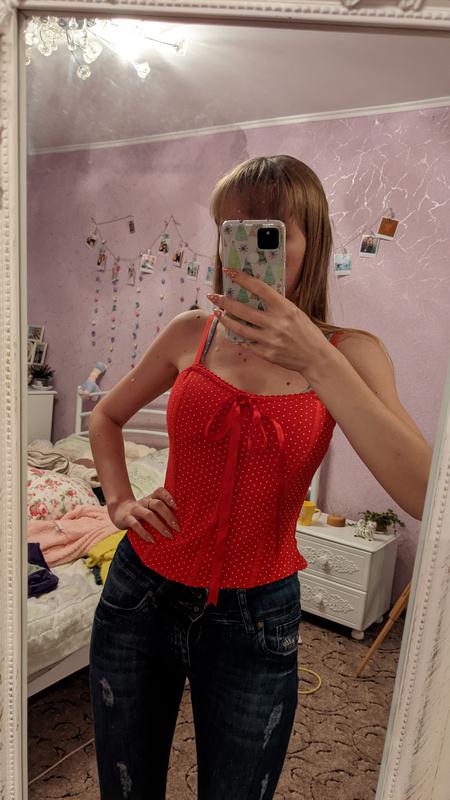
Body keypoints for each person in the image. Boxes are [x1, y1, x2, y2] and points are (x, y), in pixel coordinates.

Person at [88, 155, 432, 800]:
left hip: (257, 613)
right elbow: (105, 415)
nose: (245, 250)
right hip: (140, 593)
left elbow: (422, 495)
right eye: (231, 230)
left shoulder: (351, 353)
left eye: (268, 231)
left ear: (311, 240)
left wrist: (318, 361)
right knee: (125, 785)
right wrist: (119, 502)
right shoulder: (191, 333)